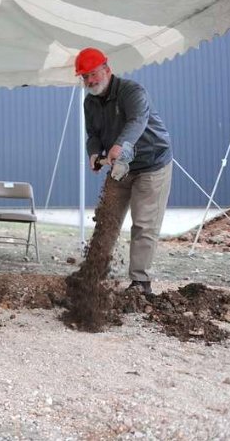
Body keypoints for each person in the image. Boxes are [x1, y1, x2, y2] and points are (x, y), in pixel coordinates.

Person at [77, 47, 173, 294]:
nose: (90, 81)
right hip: (120, 166)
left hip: (152, 164)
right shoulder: (90, 102)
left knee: (143, 223)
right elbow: (94, 135)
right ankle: (93, 274)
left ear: (107, 70)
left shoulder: (132, 91)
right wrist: (93, 153)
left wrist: (120, 145)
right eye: (85, 77)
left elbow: (137, 121)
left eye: (93, 74)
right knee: (106, 219)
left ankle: (140, 282)